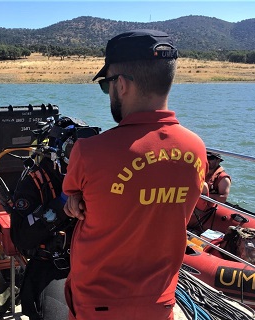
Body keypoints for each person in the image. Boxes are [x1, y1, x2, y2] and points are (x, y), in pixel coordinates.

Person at [62, 30, 208, 320]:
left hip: (97, 304)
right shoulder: (196, 149)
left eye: (107, 85)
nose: (109, 93)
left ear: (123, 85)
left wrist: (73, 200)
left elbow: (72, 194)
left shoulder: (88, 151)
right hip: (160, 303)